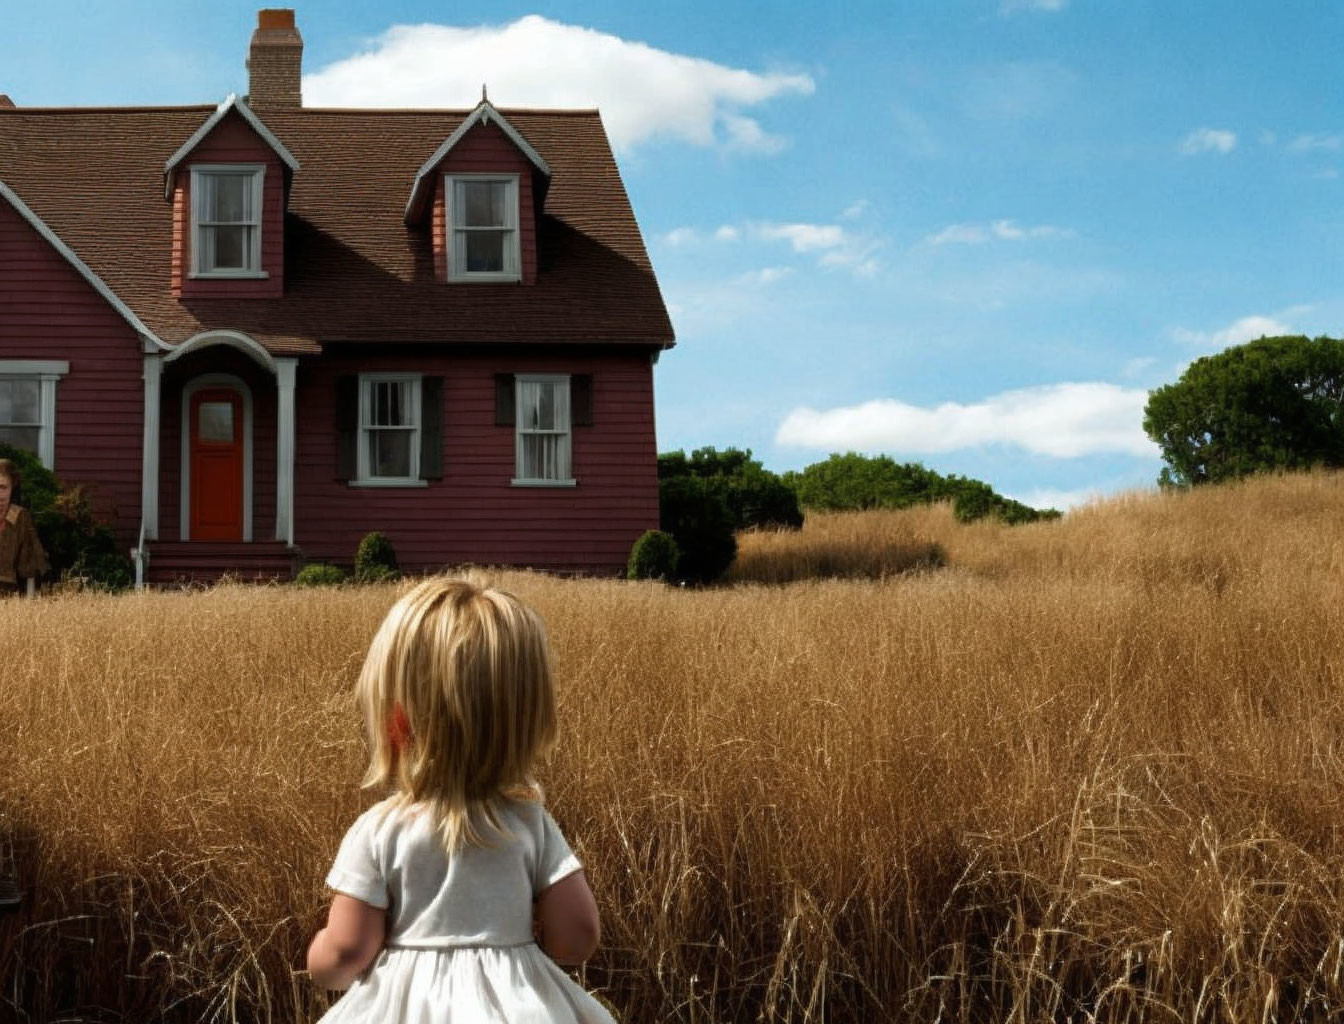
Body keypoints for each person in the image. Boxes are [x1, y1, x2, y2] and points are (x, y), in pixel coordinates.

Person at [307, 576, 614, 1023]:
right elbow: (579, 937)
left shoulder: (380, 830)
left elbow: (346, 952)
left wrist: (319, 954)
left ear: (396, 721)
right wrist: (521, 937)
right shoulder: (529, 823)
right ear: (523, 721)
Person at [0, 458, 49, 596]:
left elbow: (31, 563)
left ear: (12, 488)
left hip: (8, 596)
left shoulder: (20, 517)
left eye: (3, 487)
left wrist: (29, 606)